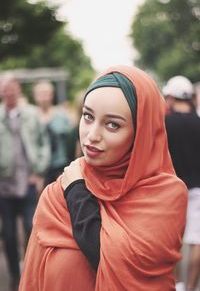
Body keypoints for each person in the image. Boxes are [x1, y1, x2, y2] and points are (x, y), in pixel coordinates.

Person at [19, 65, 188, 291]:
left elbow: (121, 266)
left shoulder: (166, 195)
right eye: (88, 116)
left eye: (112, 124)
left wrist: (78, 194)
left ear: (141, 133)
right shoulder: (58, 191)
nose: (92, 135)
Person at [0, 74, 50, 291]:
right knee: (9, 235)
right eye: (4, 89)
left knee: (32, 228)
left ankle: (31, 270)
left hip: (28, 183)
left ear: (18, 90)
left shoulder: (30, 115)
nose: (8, 92)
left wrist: (39, 171)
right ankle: (13, 273)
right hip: (5, 186)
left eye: (12, 88)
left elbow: (43, 143)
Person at [164, 76, 200, 291]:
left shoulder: (165, 123)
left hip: (172, 188)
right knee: (197, 241)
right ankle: (192, 287)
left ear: (171, 97)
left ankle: (176, 285)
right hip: (199, 188)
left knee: (173, 239)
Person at [32, 80, 72, 184]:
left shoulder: (62, 116)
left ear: (52, 95)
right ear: (35, 96)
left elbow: (71, 141)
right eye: (40, 93)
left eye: (46, 93)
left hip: (59, 166)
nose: (43, 97)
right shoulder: (29, 116)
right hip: (37, 167)